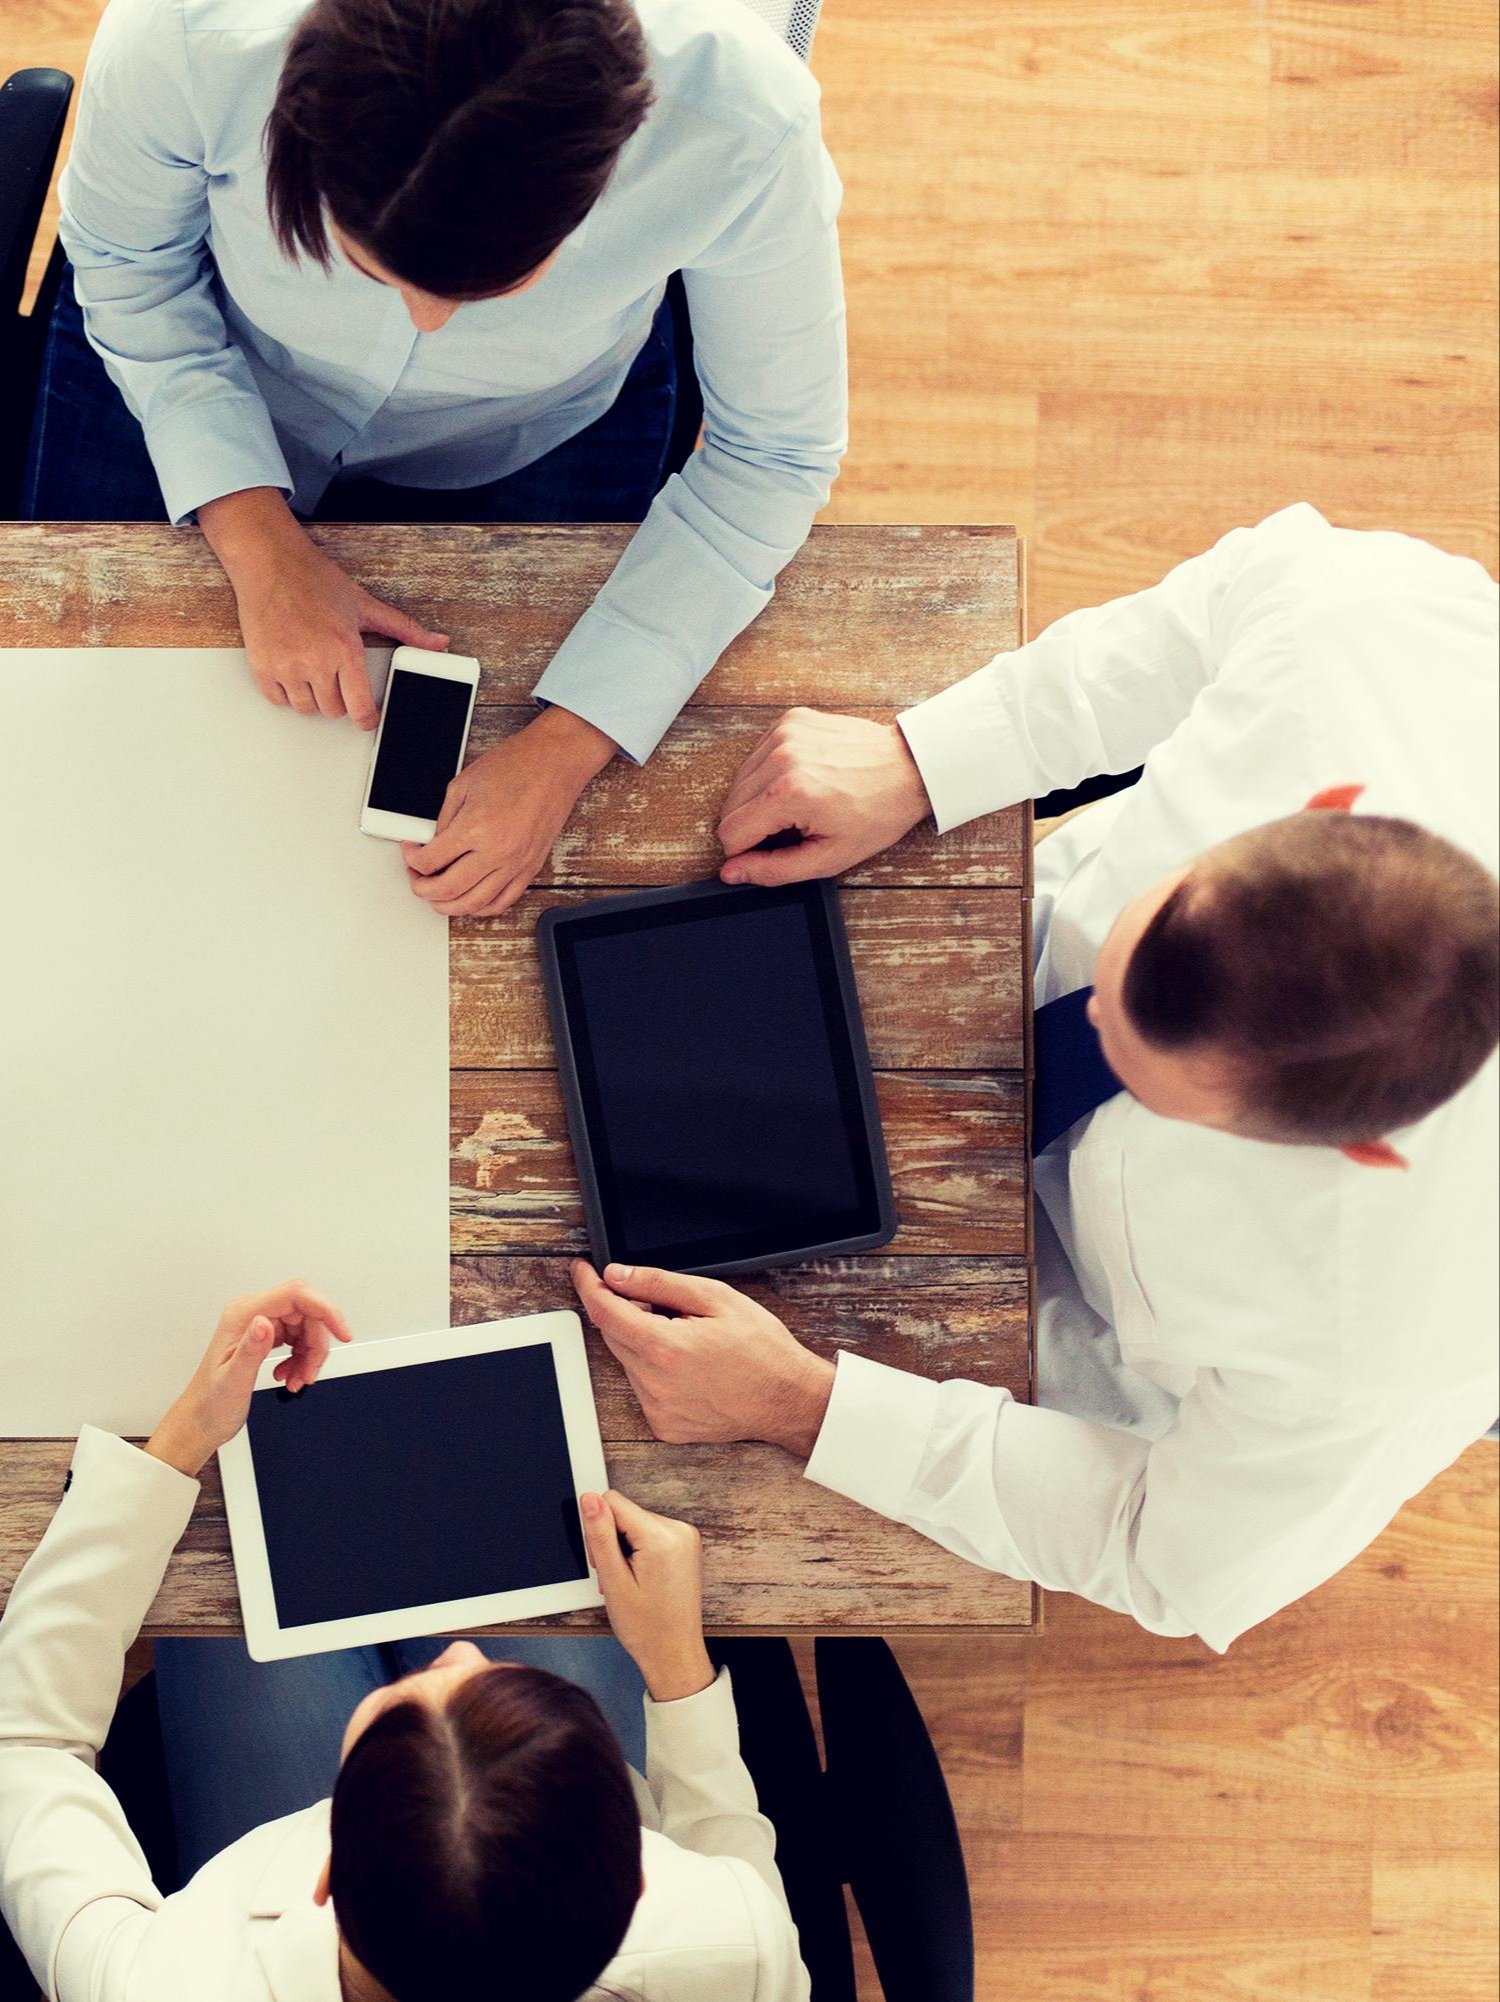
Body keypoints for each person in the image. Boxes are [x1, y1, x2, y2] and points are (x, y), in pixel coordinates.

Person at [574, 503, 1500, 1651]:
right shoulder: (1360, 635)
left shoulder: (1390, 1342)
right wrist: (926, 758)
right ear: (1316, 808)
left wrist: (803, 1406)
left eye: (1151, 1077)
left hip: (1078, 1336)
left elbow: (1161, 1554)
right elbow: (1185, 631)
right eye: (1132, 957)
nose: (1099, 1016)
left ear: (1358, 1148)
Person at [44, 0, 845, 919]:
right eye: (371, 266)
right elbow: (124, 265)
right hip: (200, 349)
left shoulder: (743, 115)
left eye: (493, 287)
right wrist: (254, 538)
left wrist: (565, 749)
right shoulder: (186, 30)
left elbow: (775, 452)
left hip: (548, 423)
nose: (426, 320)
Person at [0, 1286, 805, 2000]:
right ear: (640, 1875)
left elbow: (22, 1747)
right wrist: (675, 1669)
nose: (461, 1654)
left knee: (236, 1556)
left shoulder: (171, 1982)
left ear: (321, 1875)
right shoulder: (737, 1946)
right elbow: (727, 1852)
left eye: (394, 1713)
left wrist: (175, 1447)